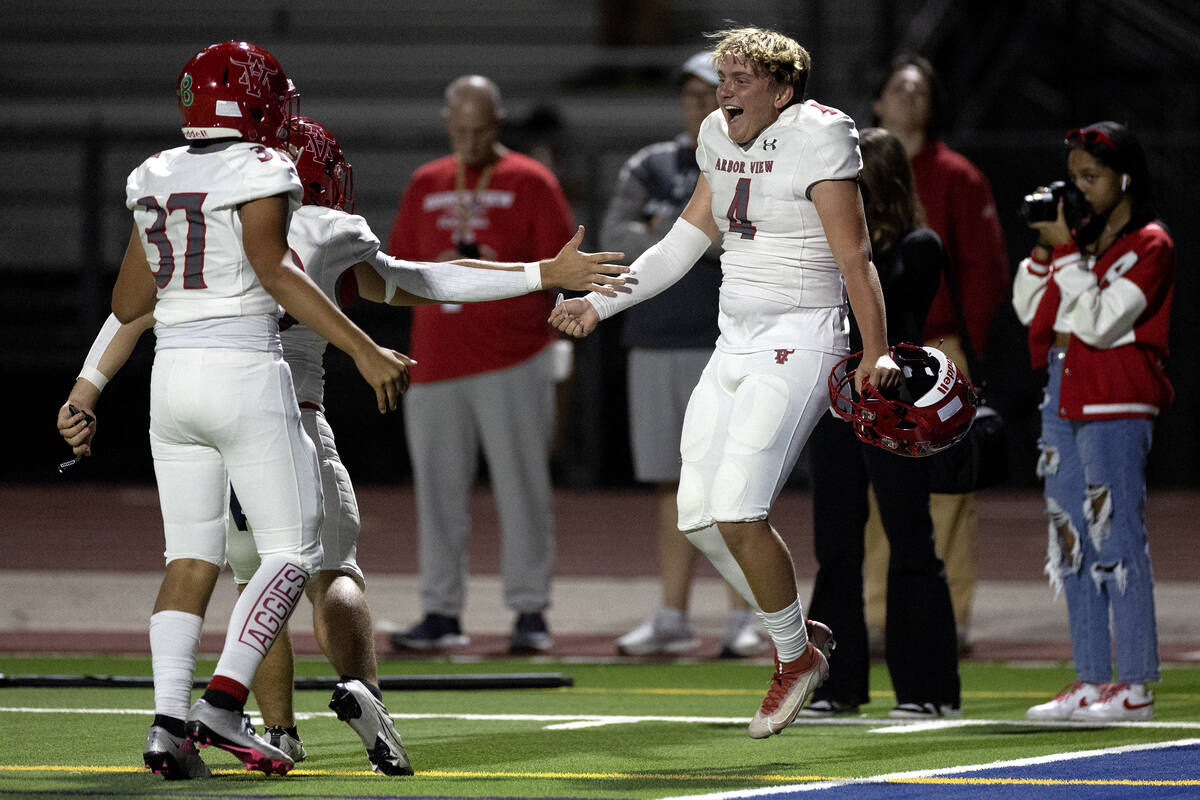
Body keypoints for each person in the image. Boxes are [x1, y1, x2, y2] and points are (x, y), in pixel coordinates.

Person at [57, 114, 626, 776]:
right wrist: (538, 273)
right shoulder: (326, 229)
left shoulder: (200, 222)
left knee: (247, 580)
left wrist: (84, 392)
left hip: (189, 412)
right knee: (330, 569)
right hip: (279, 415)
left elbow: (130, 312)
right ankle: (363, 697)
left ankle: (273, 730)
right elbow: (428, 280)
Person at [550, 26, 900, 738]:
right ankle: (803, 639)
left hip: (800, 335)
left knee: (741, 510)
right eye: (723, 77)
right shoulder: (718, 134)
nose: (726, 90)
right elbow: (681, 244)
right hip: (733, 338)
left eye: (742, 79)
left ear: (783, 89)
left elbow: (855, 256)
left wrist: (876, 350)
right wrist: (600, 300)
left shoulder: (820, 136)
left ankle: (794, 657)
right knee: (698, 516)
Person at [76, 40, 408, 779]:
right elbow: (277, 273)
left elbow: (129, 301)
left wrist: (89, 383)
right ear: (257, 103)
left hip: (172, 383)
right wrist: (364, 349)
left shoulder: (153, 173)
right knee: (293, 550)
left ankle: (167, 724)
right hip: (245, 373)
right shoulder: (265, 167)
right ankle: (224, 702)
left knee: (190, 558)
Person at [387, 75, 575, 655]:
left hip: (512, 355)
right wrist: (434, 266)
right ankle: (441, 609)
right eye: (459, 130)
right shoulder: (426, 181)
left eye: (479, 130)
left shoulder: (531, 180)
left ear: (498, 123)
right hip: (437, 359)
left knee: (522, 488)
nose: (468, 142)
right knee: (437, 493)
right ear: (447, 121)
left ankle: (529, 611)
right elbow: (393, 267)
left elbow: (564, 268)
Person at [602, 51, 766, 658]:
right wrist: (695, 231)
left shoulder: (755, 157)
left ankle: (744, 616)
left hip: (722, 339)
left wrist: (667, 229)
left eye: (713, 91)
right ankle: (671, 613)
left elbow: (741, 239)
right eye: (692, 93)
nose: (700, 102)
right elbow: (618, 238)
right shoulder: (651, 162)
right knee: (670, 487)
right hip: (653, 338)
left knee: (730, 481)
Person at [1012, 121, 1172, 721]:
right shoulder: (1081, 245)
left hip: (1115, 400)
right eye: (1074, 176)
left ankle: (1134, 684)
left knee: (1116, 538)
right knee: (1071, 540)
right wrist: (1050, 248)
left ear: (1124, 178)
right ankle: (1089, 679)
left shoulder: (1151, 245)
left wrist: (1071, 258)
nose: (1079, 188)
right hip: (1062, 393)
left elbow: (1104, 321)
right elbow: (1027, 308)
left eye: (1091, 177)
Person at [803, 128, 960, 719]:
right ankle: (841, 686)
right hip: (841, 406)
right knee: (835, 546)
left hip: (897, 409)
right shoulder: (829, 246)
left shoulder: (917, 246)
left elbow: (892, 307)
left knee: (909, 538)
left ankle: (929, 688)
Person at [866, 54, 1010, 651]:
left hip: (938, 348)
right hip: (878, 352)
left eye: (919, 89)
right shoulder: (853, 174)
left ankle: (949, 619)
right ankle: (877, 616)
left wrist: (954, 349)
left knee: (950, 489)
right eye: (898, 87)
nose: (908, 97)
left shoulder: (957, 174)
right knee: (877, 486)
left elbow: (984, 270)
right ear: (877, 102)